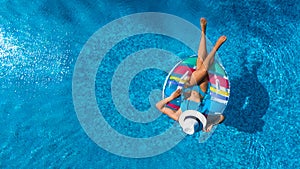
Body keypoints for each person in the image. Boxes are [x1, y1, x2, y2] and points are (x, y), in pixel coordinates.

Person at [156, 18, 226, 132]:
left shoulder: (178, 116)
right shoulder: (202, 121)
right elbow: (222, 117)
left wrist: (171, 97)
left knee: (203, 70)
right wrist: (211, 123)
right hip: (202, 92)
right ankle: (204, 32)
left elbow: (159, 106)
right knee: (201, 64)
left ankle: (215, 46)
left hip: (187, 88)